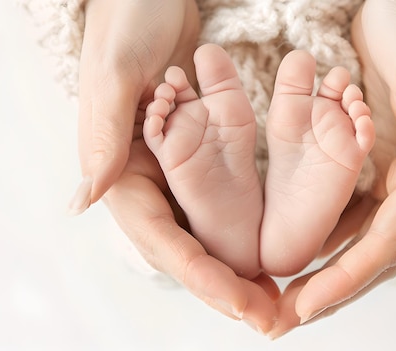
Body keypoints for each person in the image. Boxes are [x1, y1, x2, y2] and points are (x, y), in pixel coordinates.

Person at [20, 0, 396, 338]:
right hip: (354, 63)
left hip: (199, 55)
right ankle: (271, 218)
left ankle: (224, 227)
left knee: (152, 210)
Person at [143, 43, 374, 278]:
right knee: (148, 233)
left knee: (146, 242)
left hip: (219, 109)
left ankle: (228, 237)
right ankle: (272, 234)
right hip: (283, 118)